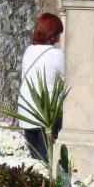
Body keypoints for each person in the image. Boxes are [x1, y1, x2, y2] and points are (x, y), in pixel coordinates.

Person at [17, 12, 65, 161]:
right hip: (47, 113)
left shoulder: (29, 51)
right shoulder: (57, 55)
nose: (59, 37)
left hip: (27, 110)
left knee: (35, 157)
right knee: (46, 158)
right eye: (58, 33)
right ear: (52, 34)